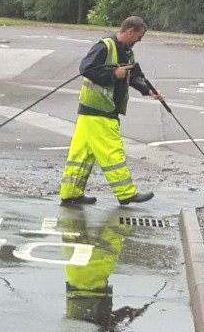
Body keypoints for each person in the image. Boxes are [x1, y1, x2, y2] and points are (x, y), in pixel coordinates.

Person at [60, 15, 160, 206]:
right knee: (113, 152)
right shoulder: (105, 46)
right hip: (99, 110)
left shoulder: (127, 52)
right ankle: (126, 193)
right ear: (130, 31)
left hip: (92, 112)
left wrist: (150, 91)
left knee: (81, 155)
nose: (139, 40)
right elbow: (86, 69)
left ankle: (70, 193)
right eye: (139, 36)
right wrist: (113, 74)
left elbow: (135, 76)